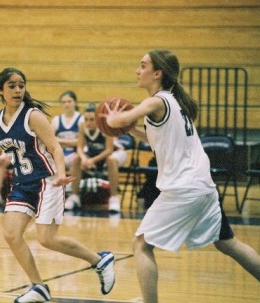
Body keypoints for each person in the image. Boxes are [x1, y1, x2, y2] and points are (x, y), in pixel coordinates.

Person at [0, 67, 116, 302]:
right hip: (22, 184)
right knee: (11, 234)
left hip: (48, 182)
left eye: (21, 85)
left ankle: (99, 260)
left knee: (47, 239)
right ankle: (39, 287)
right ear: (0, 90)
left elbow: (56, 148)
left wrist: (61, 174)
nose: (18, 90)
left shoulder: (33, 116)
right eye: (12, 86)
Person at [101, 49, 260, 303]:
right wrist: (131, 130)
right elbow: (154, 137)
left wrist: (111, 116)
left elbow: (124, 116)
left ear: (157, 73)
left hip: (183, 190)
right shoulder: (174, 102)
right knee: (228, 243)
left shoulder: (157, 101)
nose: (137, 70)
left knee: (141, 245)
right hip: (203, 187)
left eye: (142, 66)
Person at [65, 104, 127, 212]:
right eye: (86, 119)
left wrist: (92, 160)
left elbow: (109, 150)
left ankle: (113, 198)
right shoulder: (82, 125)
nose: (88, 122)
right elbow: (79, 148)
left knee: (111, 160)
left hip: (116, 152)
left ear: (98, 119)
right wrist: (84, 159)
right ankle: (74, 197)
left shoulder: (106, 126)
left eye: (92, 120)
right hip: (94, 153)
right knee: (76, 159)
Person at [50, 90, 82, 207]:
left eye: (69, 101)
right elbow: (51, 140)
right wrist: (70, 142)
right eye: (64, 102)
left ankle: (74, 196)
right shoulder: (56, 120)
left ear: (75, 102)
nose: (66, 104)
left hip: (74, 154)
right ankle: (51, 194)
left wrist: (61, 141)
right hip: (60, 155)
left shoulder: (81, 119)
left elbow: (80, 142)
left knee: (76, 160)